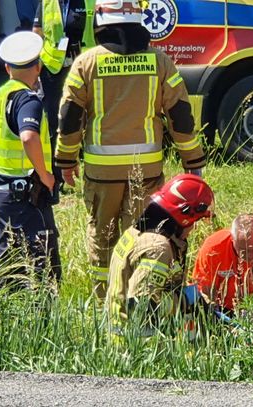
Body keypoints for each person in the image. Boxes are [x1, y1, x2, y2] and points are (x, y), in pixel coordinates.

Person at [54, 0, 206, 299]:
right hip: (146, 171)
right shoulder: (160, 61)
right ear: (140, 19)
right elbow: (181, 117)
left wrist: (66, 159)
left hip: (101, 172)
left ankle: (104, 302)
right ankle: (138, 301)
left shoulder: (86, 63)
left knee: (103, 237)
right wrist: (193, 160)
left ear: (99, 20)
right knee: (142, 236)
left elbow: (70, 117)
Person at [0, 31, 61, 291]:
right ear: (38, 67)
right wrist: (45, 175)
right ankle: (42, 321)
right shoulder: (27, 99)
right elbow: (29, 136)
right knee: (43, 269)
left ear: (8, 68)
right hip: (25, 196)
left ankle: (9, 318)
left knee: (10, 267)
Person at [106, 174, 213, 331]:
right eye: (195, 222)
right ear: (184, 218)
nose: (193, 228)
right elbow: (143, 306)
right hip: (137, 344)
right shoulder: (158, 248)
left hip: (120, 331)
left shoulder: (136, 231)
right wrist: (185, 300)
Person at [33, 0, 96, 176]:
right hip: (53, 69)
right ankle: (55, 169)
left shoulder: (90, 2)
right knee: (53, 118)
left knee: (87, 116)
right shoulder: (47, 3)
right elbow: (37, 33)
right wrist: (34, 68)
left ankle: (87, 165)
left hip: (84, 66)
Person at [192, 213, 253, 314]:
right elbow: (205, 291)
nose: (250, 256)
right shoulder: (213, 249)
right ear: (232, 239)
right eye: (243, 250)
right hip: (224, 310)